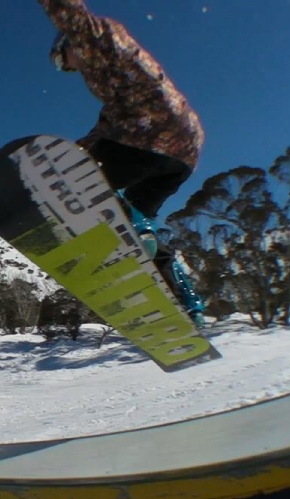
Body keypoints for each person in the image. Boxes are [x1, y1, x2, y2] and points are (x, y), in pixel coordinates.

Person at [38, 0, 206, 326]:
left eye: (62, 62)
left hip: (149, 132)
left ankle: (130, 235)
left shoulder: (95, 37)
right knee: (138, 216)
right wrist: (74, 150)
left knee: (77, 180)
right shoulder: (112, 80)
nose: (68, 69)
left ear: (67, 44)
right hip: (184, 151)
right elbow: (103, 129)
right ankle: (187, 304)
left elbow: (68, 11)